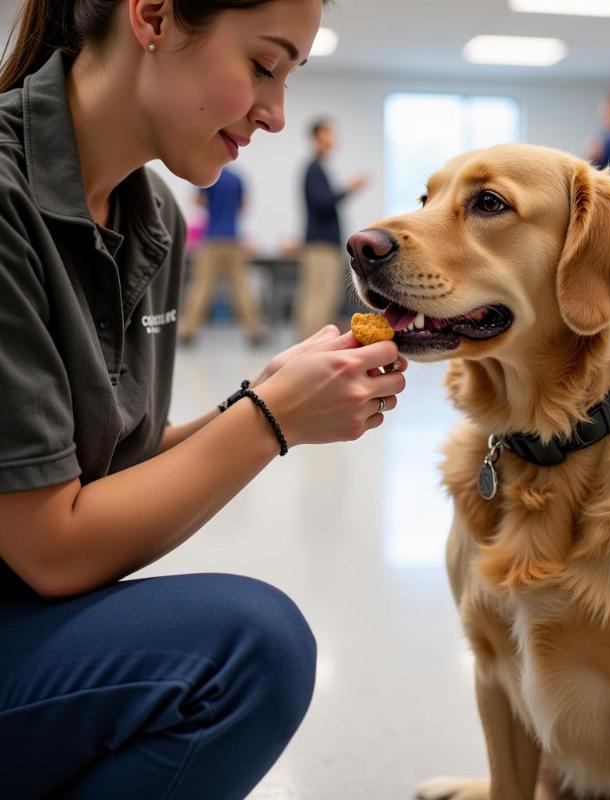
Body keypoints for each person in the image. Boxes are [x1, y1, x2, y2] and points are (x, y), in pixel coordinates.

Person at [0, 2, 407, 798]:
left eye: (291, 79)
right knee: (250, 651)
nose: (277, 115)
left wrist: (263, 395)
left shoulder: (146, 213)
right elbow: (51, 549)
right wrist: (269, 421)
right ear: (153, 15)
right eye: (263, 66)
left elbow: (102, 470)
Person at [294, 118, 368, 340]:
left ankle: (311, 346)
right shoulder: (313, 169)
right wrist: (349, 188)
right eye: (328, 133)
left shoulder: (319, 169)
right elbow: (323, 203)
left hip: (324, 245)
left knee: (324, 298)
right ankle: (307, 345)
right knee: (317, 297)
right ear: (317, 137)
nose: (333, 139)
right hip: (320, 245)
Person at [179, 166, 266, 346]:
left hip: (211, 239)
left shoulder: (209, 175)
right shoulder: (237, 178)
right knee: (241, 287)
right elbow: (243, 206)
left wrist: (212, 204)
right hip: (233, 239)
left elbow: (198, 200)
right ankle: (254, 330)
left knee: (201, 286)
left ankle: (187, 330)